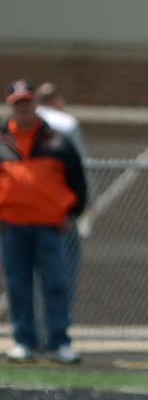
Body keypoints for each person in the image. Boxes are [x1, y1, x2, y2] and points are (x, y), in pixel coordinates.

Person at [0, 79, 87, 363]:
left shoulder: (55, 139)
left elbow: (78, 180)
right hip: (12, 225)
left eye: (27, 102)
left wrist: (70, 214)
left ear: (34, 104)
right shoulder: (2, 139)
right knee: (18, 284)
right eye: (17, 104)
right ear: (11, 106)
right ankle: (24, 341)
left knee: (55, 283)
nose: (23, 108)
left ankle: (59, 342)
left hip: (49, 226)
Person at [35, 82, 90, 305]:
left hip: (24, 211)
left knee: (28, 273)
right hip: (60, 212)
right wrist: (87, 203)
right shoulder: (66, 123)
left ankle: (33, 329)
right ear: (57, 100)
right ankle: (57, 326)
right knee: (64, 268)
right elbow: (81, 166)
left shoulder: (20, 124)